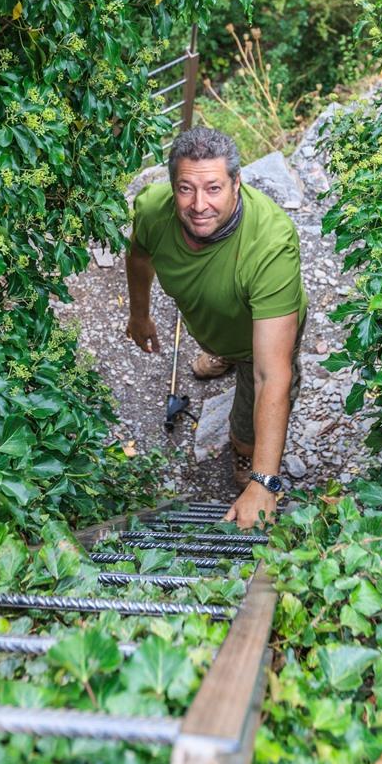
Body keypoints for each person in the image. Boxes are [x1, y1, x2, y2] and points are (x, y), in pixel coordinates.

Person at [125, 126, 307, 529]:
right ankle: (220, 352)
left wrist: (263, 480)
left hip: (259, 344)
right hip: (215, 322)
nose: (198, 205)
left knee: (244, 431)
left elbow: (270, 374)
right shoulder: (153, 209)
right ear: (172, 186)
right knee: (217, 322)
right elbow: (138, 256)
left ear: (236, 183)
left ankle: (243, 452)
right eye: (185, 189)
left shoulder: (270, 246)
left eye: (213, 188)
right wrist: (139, 315)